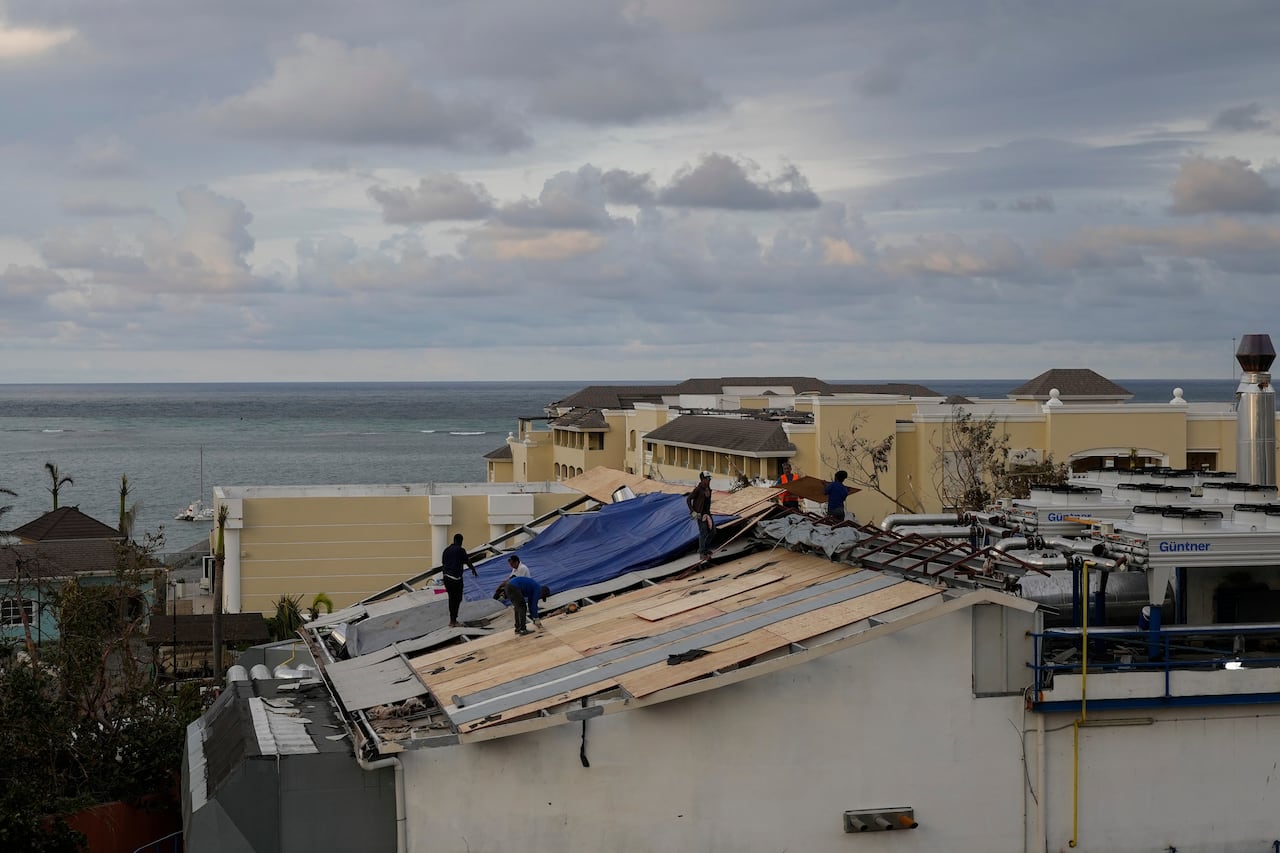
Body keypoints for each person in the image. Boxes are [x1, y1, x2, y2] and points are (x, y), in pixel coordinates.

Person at [440, 533, 478, 628]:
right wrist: (473, 569)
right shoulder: (460, 550)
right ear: (461, 541)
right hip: (456, 579)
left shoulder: (446, 550)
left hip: (446, 578)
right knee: (457, 599)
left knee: (452, 598)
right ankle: (453, 621)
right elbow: (467, 561)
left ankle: (452, 620)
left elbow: (443, 563)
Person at [686, 471, 714, 562]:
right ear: (703, 479)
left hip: (707, 513)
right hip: (700, 514)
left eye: (709, 479)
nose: (709, 480)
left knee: (713, 531)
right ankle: (702, 552)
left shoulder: (708, 489)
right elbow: (688, 499)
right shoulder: (698, 489)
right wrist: (692, 511)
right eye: (707, 479)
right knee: (703, 532)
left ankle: (705, 548)